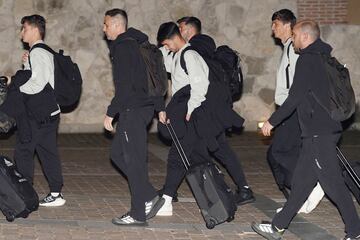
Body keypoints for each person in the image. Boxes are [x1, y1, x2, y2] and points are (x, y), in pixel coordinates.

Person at [252, 20, 360, 240]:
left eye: (295, 35)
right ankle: (277, 227)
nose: (292, 39)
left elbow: (294, 98)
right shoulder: (324, 58)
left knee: (334, 186)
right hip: (317, 133)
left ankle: (355, 231)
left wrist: (271, 122)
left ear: (305, 36)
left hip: (319, 133)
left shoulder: (308, 60)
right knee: (301, 186)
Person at [175, 16, 255, 205]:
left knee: (193, 150)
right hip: (217, 109)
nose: (178, 32)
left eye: (180, 28)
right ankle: (243, 189)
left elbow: (200, 85)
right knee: (218, 150)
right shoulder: (207, 47)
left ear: (187, 29)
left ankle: (222, 191)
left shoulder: (193, 51)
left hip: (205, 111)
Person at [102, 8, 164, 226]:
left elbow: (124, 86)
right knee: (117, 153)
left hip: (133, 110)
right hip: (144, 109)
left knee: (134, 161)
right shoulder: (139, 44)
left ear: (118, 26)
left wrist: (111, 112)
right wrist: (160, 107)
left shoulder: (122, 47)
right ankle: (149, 195)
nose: (104, 29)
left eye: (106, 24)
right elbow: (154, 77)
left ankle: (138, 214)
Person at [7, 14, 66, 207]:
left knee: (24, 151)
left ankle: (25, 194)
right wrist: (26, 65)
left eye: (23, 28)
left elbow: (37, 84)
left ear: (33, 29)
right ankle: (56, 193)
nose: (21, 32)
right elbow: (38, 77)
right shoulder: (44, 51)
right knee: (47, 152)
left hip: (37, 114)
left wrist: (14, 87)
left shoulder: (38, 53)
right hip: (49, 112)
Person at [269, 9, 324, 214]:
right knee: (291, 154)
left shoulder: (294, 49)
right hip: (291, 109)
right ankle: (300, 195)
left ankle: (307, 188)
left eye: (275, 24)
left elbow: (298, 85)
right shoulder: (288, 48)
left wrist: (277, 117)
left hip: (293, 109)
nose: (273, 30)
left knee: (278, 153)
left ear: (285, 25)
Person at [155, 22, 212, 216]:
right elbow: (168, 66)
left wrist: (190, 109)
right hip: (187, 114)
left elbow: (201, 85)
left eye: (167, 44)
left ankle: (167, 200)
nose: (167, 48)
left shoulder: (190, 55)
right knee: (196, 158)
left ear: (172, 39)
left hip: (191, 115)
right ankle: (215, 196)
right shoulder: (179, 56)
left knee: (177, 157)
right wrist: (161, 51)